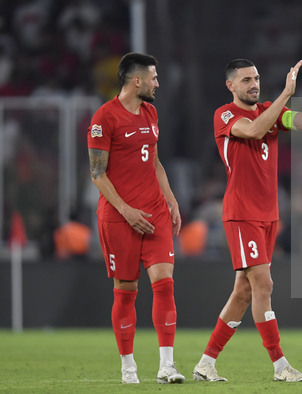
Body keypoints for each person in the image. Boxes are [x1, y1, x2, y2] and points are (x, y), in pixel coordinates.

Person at [192, 58, 302, 382]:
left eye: (256, 78)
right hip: (241, 214)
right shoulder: (225, 115)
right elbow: (254, 131)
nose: (254, 84)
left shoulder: (271, 112)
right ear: (231, 86)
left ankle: (205, 363)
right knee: (264, 284)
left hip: (268, 215)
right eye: (246, 80)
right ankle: (280, 366)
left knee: (244, 291)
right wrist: (286, 93)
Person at [87, 52, 185, 385]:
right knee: (126, 290)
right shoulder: (104, 118)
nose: (158, 83)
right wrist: (126, 210)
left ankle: (166, 366)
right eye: (154, 78)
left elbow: (153, 161)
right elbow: (97, 174)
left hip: (154, 212)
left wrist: (170, 199)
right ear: (137, 80)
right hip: (119, 218)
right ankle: (129, 367)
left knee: (165, 284)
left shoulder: (151, 112)